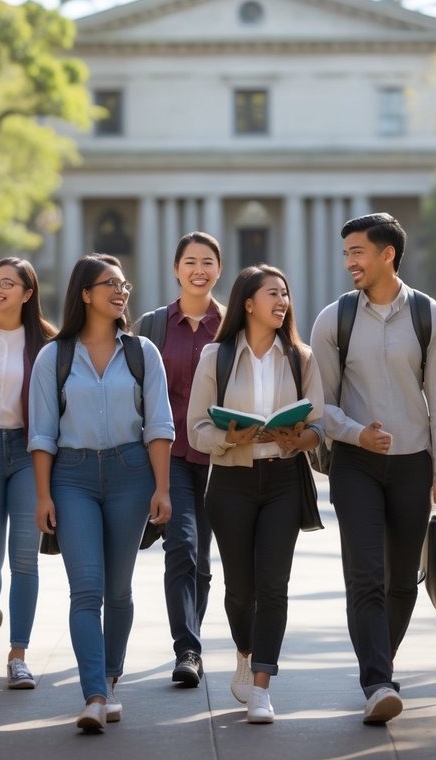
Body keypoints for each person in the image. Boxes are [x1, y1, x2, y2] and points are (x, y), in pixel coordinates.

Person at [308, 212, 436, 725]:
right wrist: (355, 433)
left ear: (387, 254)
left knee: (401, 582)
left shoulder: (428, 315)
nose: (349, 260)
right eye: (346, 252)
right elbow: (319, 404)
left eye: (357, 251)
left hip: (414, 463)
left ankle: (380, 663)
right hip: (356, 464)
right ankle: (377, 680)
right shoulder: (334, 319)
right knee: (366, 576)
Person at [28, 253, 174, 732]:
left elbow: (158, 426)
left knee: (119, 589)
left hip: (132, 474)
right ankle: (93, 695)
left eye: (124, 283)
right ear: (85, 294)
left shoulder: (142, 352)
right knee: (86, 588)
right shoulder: (55, 355)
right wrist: (44, 495)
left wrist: (163, 489)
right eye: (109, 283)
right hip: (72, 478)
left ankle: (111, 680)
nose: (121, 291)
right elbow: (43, 433)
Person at [187, 264, 324, 724]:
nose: (282, 301)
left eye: (286, 294)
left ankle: (262, 684)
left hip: (284, 477)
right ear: (248, 303)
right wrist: (231, 437)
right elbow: (196, 429)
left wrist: (301, 438)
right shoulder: (216, 357)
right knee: (240, 589)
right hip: (231, 481)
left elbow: (318, 424)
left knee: (273, 586)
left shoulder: (302, 358)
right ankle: (245, 651)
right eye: (273, 294)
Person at [132, 232, 223, 688]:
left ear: (219, 270)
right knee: (181, 548)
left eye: (208, 262)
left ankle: (194, 637)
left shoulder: (231, 324)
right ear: (176, 269)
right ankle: (186, 648)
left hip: (220, 457)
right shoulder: (153, 325)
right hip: (171, 456)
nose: (198, 269)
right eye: (190, 261)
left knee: (203, 562)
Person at [0, 258, 56, 690]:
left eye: (8, 283)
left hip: (26, 452)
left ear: (27, 293)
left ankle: (18, 654)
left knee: (24, 559)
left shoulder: (49, 343)